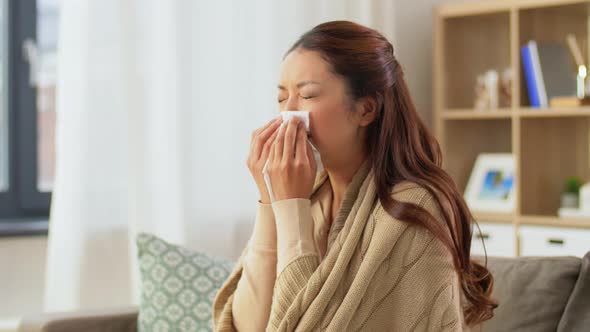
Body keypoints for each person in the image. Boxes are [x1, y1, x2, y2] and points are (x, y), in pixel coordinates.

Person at [213, 20, 497, 331]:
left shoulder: (415, 208)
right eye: (282, 99)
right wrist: (270, 201)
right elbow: (245, 327)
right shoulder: (313, 196)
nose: (288, 116)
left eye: (306, 95)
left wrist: (291, 207)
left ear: (366, 110)